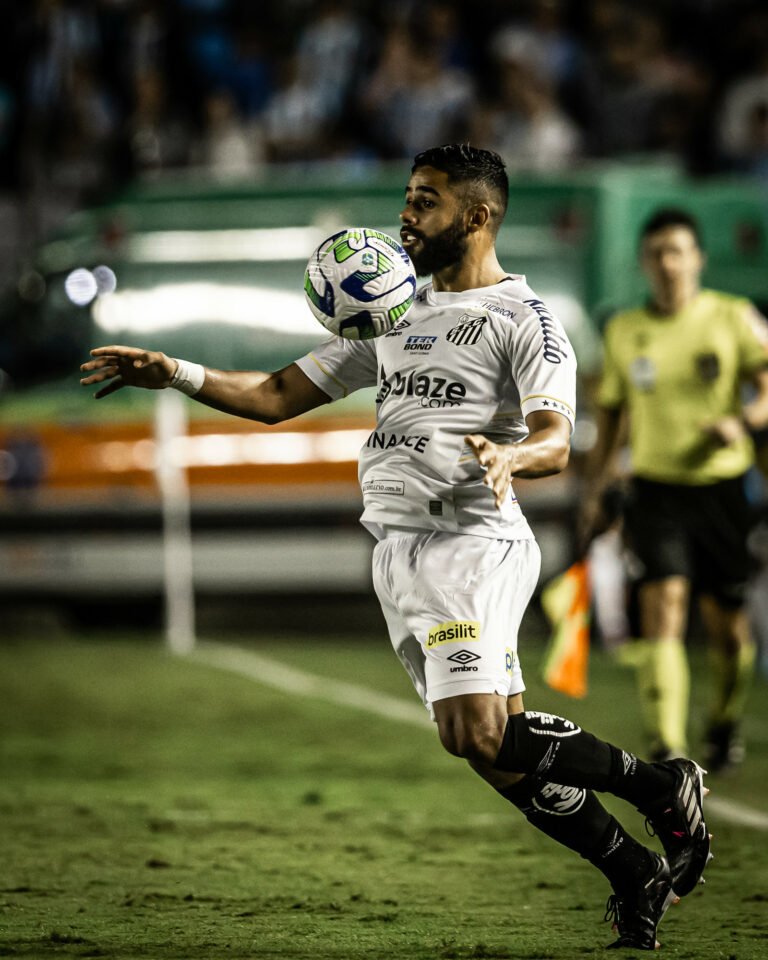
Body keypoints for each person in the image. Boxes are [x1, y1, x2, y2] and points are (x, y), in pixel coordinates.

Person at [80, 145, 711, 951]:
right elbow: (277, 396)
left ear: (477, 217)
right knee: (501, 756)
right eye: (408, 199)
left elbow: (556, 439)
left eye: (426, 202)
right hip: (400, 550)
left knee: (473, 734)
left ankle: (663, 788)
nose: (407, 216)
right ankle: (635, 871)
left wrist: (508, 455)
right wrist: (174, 370)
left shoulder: (524, 320)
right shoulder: (388, 309)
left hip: (471, 540)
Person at [580, 207, 768, 770]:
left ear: (697, 259)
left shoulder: (734, 318)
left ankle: (723, 721)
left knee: (728, 631)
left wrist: (743, 422)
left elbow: (767, 391)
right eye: (657, 253)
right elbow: (611, 417)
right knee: (663, 604)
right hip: (655, 490)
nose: (667, 263)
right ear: (644, 263)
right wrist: (596, 485)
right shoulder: (624, 331)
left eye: (677, 252)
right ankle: (669, 748)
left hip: (723, 489)